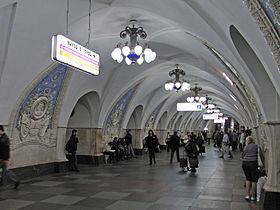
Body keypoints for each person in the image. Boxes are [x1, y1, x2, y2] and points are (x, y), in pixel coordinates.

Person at [0, 125, 20, 189]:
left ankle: (16, 180)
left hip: (3, 158)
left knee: (5, 171)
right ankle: (16, 180)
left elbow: (5, 150)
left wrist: (5, 159)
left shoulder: (4, 138)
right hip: (3, 158)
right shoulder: (3, 138)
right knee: (5, 171)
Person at [242, 136, 258, 202]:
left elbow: (243, 155)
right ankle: (253, 196)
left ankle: (247, 195)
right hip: (253, 163)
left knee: (248, 179)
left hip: (245, 163)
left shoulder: (246, 147)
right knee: (254, 180)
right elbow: (261, 155)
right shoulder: (256, 146)